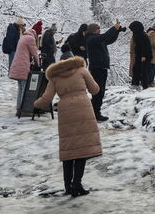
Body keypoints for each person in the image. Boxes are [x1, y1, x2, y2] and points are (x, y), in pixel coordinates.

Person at [33, 55, 103, 197]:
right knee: (82, 149)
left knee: (69, 149)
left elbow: (47, 98)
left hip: (65, 111)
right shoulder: (82, 70)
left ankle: (68, 186)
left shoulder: (54, 77)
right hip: (84, 109)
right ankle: (77, 183)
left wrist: (34, 104)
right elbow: (95, 90)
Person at [85, 22, 123, 121]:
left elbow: (109, 39)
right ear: (94, 30)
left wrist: (117, 31)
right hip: (97, 68)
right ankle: (95, 113)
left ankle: (95, 112)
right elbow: (105, 36)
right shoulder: (91, 39)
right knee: (98, 91)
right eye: (98, 29)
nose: (100, 30)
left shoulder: (97, 39)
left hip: (102, 67)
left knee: (100, 92)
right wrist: (114, 28)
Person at [8, 23, 42, 114]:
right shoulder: (30, 39)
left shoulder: (22, 37)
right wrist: (38, 64)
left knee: (20, 88)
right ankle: (23, 109)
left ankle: (19, 108)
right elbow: (34, 53)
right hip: (23, 66)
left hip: (16, 65)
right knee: (24, 88)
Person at [130, 21, 154, 90]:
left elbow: (145, 46)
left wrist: (144, 56)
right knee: (136, 69)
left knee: (144, 71)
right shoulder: (138, 34)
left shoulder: (142, 35)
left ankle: (145, 85)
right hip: (139, 55)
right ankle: (135, 84)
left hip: (144, 56)